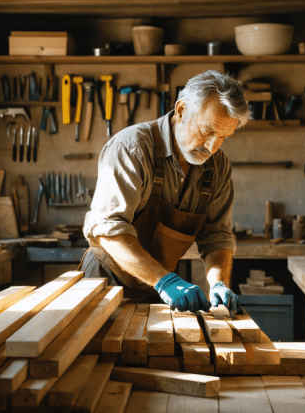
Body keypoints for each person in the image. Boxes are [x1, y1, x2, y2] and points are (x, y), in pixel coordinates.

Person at [81, 70, 251, 316]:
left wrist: (218, 282)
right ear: (181, 110)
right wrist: (166, 282)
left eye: (223, 137)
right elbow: (110, 232)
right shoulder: (131, 148)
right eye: (207, 131)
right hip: (106, 284)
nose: (212, 147)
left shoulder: (218, 167)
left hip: (158, 286)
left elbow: (217, 237)